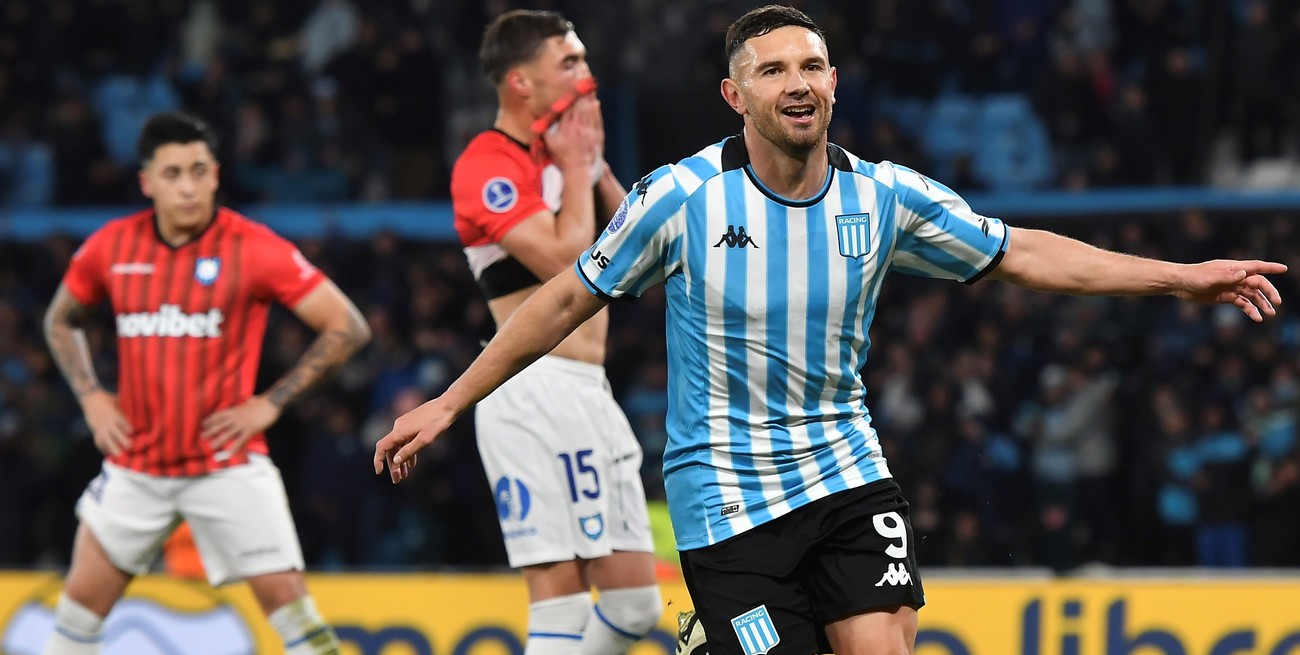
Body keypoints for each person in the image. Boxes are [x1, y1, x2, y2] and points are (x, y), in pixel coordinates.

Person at [376, 6, 1286, 655]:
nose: (796, 83)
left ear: (834, 84)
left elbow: (1023, 251)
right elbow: (567, 295)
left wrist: (1181, 278)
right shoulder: (681, 198)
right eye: (772, 70)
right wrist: (452, 401)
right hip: (728, 497)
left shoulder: (884, 196)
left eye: (810, 66)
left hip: (847, 471)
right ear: (734, 94)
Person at [42, 112, 371, 655]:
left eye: (199, 171)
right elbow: (61, 318)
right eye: (173, 174)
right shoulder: (111, 247)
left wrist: (271, 403)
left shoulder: (255, 247)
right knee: (74, 620)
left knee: (297, 618)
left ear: (217, 174)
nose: (189, 187)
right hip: (136, 467)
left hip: (226, 464)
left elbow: (347, 326)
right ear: (147, 182)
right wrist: (92, 398)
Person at [445, 10, 662, 655]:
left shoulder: (566, 156)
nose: (586, 74)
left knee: (634, 605)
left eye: (585, 59)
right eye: (568, 63)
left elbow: (640, 247)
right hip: (531, 389)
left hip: (588, 389)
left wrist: (590, 166)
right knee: (561, 600)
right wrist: (574, 169)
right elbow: (568, 267)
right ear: (520, 82)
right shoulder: (485, 165)